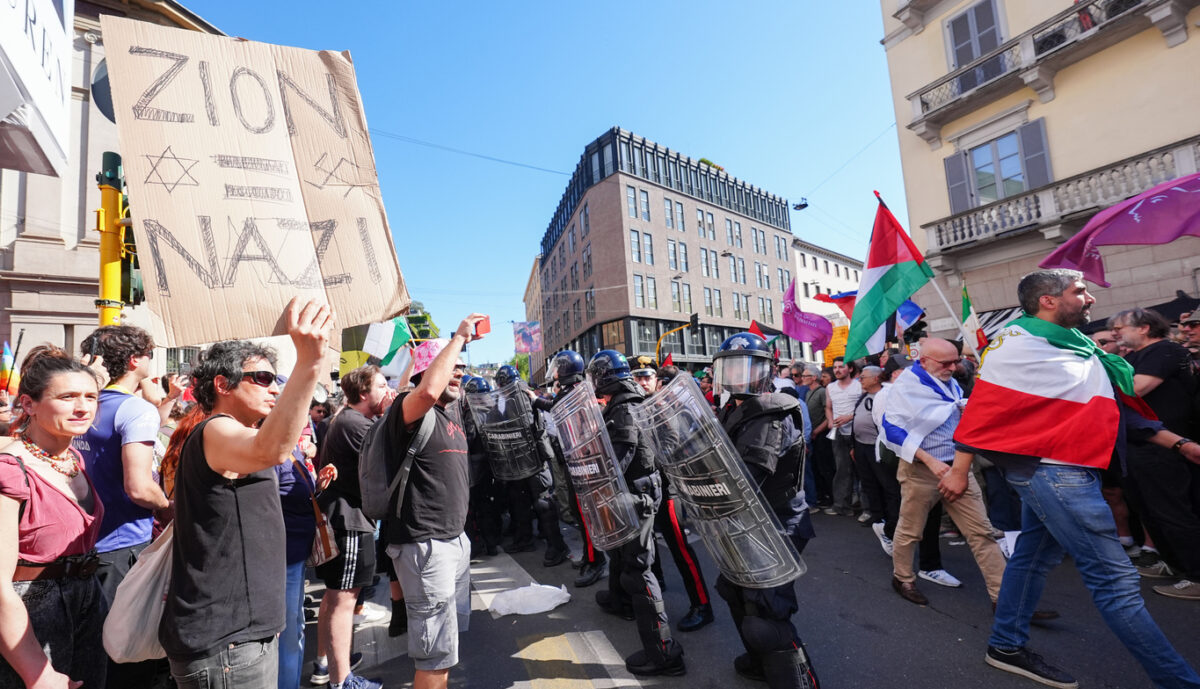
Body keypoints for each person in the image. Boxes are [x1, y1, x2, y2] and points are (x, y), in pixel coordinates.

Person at [953, 269, 1200, 689]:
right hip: (1055, 473)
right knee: (1117, 582)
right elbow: (983, 413)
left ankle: (1005, 646)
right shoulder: (1017, 345)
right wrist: (959, 470)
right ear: (1048, 300)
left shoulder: (1076, 345)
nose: (1090, 298)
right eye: (1080, 291)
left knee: (1032, 558)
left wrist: (1179, 444)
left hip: (1070, 469)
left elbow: (1103, 408)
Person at [160, 298, 333, 688]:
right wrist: (309, 362)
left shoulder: (237, 431)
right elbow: (270, 450)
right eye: (263, 378)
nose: (274, 388)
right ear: (223, 384)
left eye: (275, 379)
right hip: (227, 642)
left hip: (242, 636)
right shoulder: (215, 429)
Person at [383, 317, 487, 689]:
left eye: (462, 367)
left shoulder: (449, 413)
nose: (459, 372)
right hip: (426, 547)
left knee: (446, 646)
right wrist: (458, 336)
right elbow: (426, 391)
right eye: (451, 366)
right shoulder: (410, 410)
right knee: (435, 654)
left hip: (453, 541)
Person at [713, 332, 819, 688]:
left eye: (746, 367)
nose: (737, 376)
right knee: (734, 591)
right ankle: (762, 664)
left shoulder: (770, 414)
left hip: (775, 523)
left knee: (766, 614)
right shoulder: (734, 409)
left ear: (767, 370)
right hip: (747, 522)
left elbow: (746, 478)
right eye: (730, 368)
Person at [0, 346, 105, 688]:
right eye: (67, 397)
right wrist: (38, 673)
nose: (83, 407)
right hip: (31, 614)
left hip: (87, 603)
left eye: (91, 396)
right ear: (29, 404)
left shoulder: (72, 458)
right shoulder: (10, 470)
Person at [75, 325, 172, 688]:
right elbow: (139, 487)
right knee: (127, 657)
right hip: (123, 546)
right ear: (134, 360)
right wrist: (170, 507)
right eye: (149, 354)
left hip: (86, 543)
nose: (151, 361)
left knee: (94, 653)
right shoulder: (136, 409)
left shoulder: (86, 402)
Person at [880, 338, 1008, 608]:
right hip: (920, 471)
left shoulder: (949, 382)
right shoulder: (905, 387)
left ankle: (1005, 599)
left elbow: (950, 413)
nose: (953, 367)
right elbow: (892, 429)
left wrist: (963, 409)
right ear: (924, 361)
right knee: (911, 530)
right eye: (946, 363)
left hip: (958, 467)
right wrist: (931, 462)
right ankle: (903, 578)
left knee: (982, 533)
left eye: (956, 361)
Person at [586, 350, 685, 677]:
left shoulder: (625, 409)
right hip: (631, 494)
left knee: (638, 572)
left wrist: (593, 478)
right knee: (621, 557)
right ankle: (619, 601)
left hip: (634, 496)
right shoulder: (625, 402)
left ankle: (664, 654)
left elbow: (618, 459)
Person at [1107, 307, 1200, 599]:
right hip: (1141, 446)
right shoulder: (1134, 357)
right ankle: (1176, 564)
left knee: (1174, 511)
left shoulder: (1166, 351)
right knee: (1150, 511)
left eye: (1119, 328)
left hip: (1166, 446)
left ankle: (1196, 575)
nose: (1115, 334)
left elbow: (1134, 390)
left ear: (1144, 327)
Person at [312, 365, 394, 689]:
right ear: (363, 392)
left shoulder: (353, 420)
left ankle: (329, 666)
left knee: (336, 599)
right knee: (343, 600)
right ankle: (341, 681)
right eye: (382, 385)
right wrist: (392, 417)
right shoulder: (355, 423)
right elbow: (388, 460)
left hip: (349, 518)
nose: (388, 391)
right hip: (349, 520)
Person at [533, 351, 609, 588]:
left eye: (557, 367)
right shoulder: (571, 390)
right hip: (573, 461)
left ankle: (596, 562)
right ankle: (589, 555)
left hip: (582, 463)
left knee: (586, 515)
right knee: (579, 513)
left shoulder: (574, 391)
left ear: (565, 369)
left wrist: (534, 399)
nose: (554, 372)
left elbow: (554, 406)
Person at [492, 364, 569, 566]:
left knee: (543, 503)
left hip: (534, 459)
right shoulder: (502, 399)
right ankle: (524, 539)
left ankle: (557, 546)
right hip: (516, 461)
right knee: (519, 502)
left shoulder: (521, 395)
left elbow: (525, 425)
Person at [824, 357, 861, 516]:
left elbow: (865, 407)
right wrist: (830, 421)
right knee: (842, 470)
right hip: (838, 433)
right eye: (835, 367)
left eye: (841, 367)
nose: (837, 370)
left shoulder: (859, 385)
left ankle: (868, 508)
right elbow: (828, 407)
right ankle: (841, 506)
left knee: (862, 470)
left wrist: (849, 417)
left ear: (850, 369)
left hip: (857, 431)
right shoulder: (830, 387)